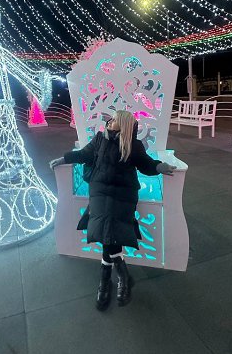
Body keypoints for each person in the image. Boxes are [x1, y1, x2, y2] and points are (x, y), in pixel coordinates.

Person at [50, 110, 176, 310]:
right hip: (99, 192)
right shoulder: (100, 139)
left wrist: (159, 167)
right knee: (106, 231)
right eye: (111, 118)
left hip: (123, 194)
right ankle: (122, 277)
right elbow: (83, 154)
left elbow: (146, 164)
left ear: (123, 125)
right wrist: (65, 159)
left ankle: (105, 279)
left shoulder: (133, 145)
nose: (110, 121)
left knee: (109, 233)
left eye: (115, 119)